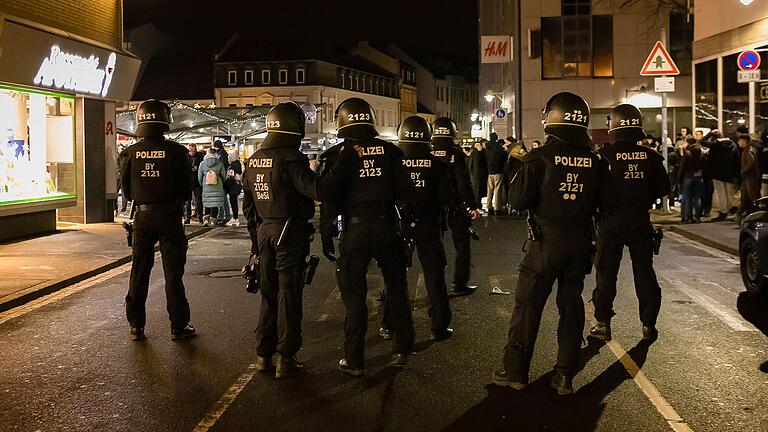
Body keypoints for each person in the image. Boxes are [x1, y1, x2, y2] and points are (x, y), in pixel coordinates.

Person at [492, 92, 603, 395]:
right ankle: (565, 375)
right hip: (579, 242)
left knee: (527, 307)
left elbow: (517, 201)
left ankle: (515, 373)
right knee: (571, 305)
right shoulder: (595, 161)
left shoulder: (539, 158)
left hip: (545, 244)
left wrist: (517, 165)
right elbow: (602, 203)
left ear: (551, 119)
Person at [322, 97, 415, 376]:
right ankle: (401, 348)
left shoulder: (336, 155)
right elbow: (407, 193)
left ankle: (355, 360)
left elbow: (328, 197)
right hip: (386, 226)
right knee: (396, 288)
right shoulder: (391, 151)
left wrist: (327, 232)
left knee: (354, 296)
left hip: (354, 229)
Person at [241, 102, 326, 378]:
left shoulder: (254, 160)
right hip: (289, 232)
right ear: (296, 127)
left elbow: (248, 209)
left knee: (268, 293)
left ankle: (263, 355)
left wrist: (255, 243)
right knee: (288, 294)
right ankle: (285, 357)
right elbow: (316, 190)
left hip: (265, 232)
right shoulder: (292, 159)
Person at [589, 103, 670, 344]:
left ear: (612, 126)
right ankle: (648, 323)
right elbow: (664, 188)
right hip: (639, 221)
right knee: (644, 273)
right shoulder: (652, 157)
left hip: (610, 222)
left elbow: (593, 191)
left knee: (606, 273)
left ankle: (603, 322)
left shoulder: (603, 156)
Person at [120, 99, 195, 342]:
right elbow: (187, 188)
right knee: (173, 273)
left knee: (139, 270)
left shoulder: (130, 153)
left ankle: (136, 326)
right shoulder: (177, 152)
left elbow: (127, 190)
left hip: (142, 215)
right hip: (170, 215)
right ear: (165, 120)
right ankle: (177, 326)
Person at [389, 115, 453, 341]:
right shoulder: (437, 165)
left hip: (400, 223)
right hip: (429, 224)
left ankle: (389, 324)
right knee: (434, 275)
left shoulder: (395, 162)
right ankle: (439, 325)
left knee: (395, 276)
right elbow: (446, 196)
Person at [431, 117, 482, 295]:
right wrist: (472, 205)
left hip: (432, 206)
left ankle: (434, 287)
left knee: (432, 246)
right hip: (455, 206)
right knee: (462, 245)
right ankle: (459, 283)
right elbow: (463, 183)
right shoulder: (456, 154)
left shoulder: (428, 152)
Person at [702, 130, 740, 221]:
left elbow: (703, 141)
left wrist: (710, 133)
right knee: (729, 193)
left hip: (717, 172)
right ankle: (729, 210)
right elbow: (737, 159)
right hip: (729, 173)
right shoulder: (733, 145)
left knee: (721, 193)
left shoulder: (715, 145)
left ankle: (723, 212)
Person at [677, 134, 705, 223]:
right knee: (697, 197)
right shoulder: (701, 152)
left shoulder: (688, 152)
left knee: (688, 197)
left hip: (688, 177)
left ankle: (688, 217)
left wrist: (678, 179)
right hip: (699, 176)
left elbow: (682, 167)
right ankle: (697, 216)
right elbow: (705, 165)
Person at [198, 147, 228, 226]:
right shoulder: (220, 163)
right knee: (215, 204)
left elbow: (199, 177)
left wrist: (203, 184)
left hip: (206, 187)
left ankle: (206, 220)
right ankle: (213, 220)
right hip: (217, 186)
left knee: (207, 204)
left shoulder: (202, 164)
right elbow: (224, 176)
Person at [737, 133, 762, 220]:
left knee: (752, 196)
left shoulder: (748, 151)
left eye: (739, 141)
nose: (738, 142)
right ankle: (741, 214)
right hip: (748, 177)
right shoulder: (748, 150)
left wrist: (744, 170)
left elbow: (752, 162)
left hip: (750, 177)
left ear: (744, 141)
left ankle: (758, 214)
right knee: (745, 196)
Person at [485, 138, 507, 215]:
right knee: (498, 190)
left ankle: (489, 207)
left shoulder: (487, 148)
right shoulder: (498, 148)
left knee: (490, 190)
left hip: (490, 172)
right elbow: (505, 157)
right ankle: (497, 208)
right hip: (498, 171)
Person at [185, 144, 204, 224]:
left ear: (196, 150)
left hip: (197, 182)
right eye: (190, 151)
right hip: (188, 182)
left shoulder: (200, 157)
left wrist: (197, 168)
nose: (191, 152)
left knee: (198, 201)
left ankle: (200, 217)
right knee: (187, 202)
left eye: (193, 151)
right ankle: (187, 217)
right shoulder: (185, 157)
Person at [225, 150, 243, 226]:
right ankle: (235, 218)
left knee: (233, 202)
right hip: (236, 186)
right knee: (234, 202)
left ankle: (235, 218)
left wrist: (226, 186)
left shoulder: (233, 166)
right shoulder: (238, 164)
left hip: (233, 187)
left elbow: (230, 177)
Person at [468, 140, 488, 204]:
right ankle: (478, 205)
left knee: (478, 192)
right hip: (479, 176)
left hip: (478, 176)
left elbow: (470, 166)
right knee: (478, 192)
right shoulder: (481, 152)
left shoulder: (476, 153)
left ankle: (478, 205)